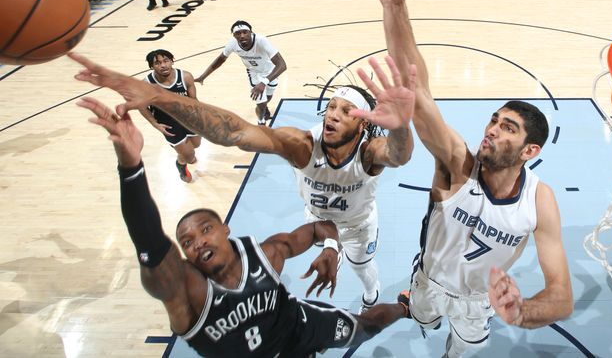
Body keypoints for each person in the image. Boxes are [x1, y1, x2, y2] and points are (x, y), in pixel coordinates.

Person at [358, 0, 574, 356]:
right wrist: (392, 8)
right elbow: (415, 89)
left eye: (507, 127)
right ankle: (417, 310)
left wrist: (521, 312)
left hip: (477, 303)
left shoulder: (540, 200)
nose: (492, 129)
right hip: (429, 279)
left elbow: (561, 297)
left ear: (530, 151)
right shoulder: (458, 163)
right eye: (494, 120)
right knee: (423, 314)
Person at [68, 51, 415, 314]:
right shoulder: (302, 145)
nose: (334, 114)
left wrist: (401, 124)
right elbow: (234, 131)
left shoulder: (369, 153)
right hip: (317, 221)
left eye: (346, 111)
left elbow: (399, 155)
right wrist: (158, 96)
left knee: (364, 269)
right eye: (331, 107)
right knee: (287, 260)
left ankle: (370, 297)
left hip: (357, 226)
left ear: (363, 125)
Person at [74, 96, 409, 357]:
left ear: (226, 229)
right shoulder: (185, 292)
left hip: (347, 240)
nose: (199, 242)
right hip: (317, 220)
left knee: (368, 319)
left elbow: (397, 154)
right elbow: (149, 241)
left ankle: (398, 304)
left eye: (205, 230)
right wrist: (131, 165)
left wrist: (332, 248)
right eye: (187, 242)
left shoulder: (264, 255)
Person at [196, 21, 287, 125]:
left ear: (251, 32)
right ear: (234, 35)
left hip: (271, 71)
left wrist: (264, 82)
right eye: (238, 33)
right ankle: (261, 122)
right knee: (261, 102)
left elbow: (282, 65)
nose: (242, 35)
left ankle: (264, 108)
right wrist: (203, 76)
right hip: (254, 73)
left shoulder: (261, 41)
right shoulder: (232, 44)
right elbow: (220, 60)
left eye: (245, 32)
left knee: (268, 98)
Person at [139, 49, 202, 182]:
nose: (163, 65)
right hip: (168, 122)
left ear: (172, 61)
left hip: (188, 118)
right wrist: (154, 123)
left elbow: (194, 100)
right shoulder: (146, 85)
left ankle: (183, 156)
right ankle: (181, 164)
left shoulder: (185, 76)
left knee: (196, 145)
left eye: (166, 61)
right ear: (151, 66)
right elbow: (141, 106)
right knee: (190, 157)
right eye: (157, 63)